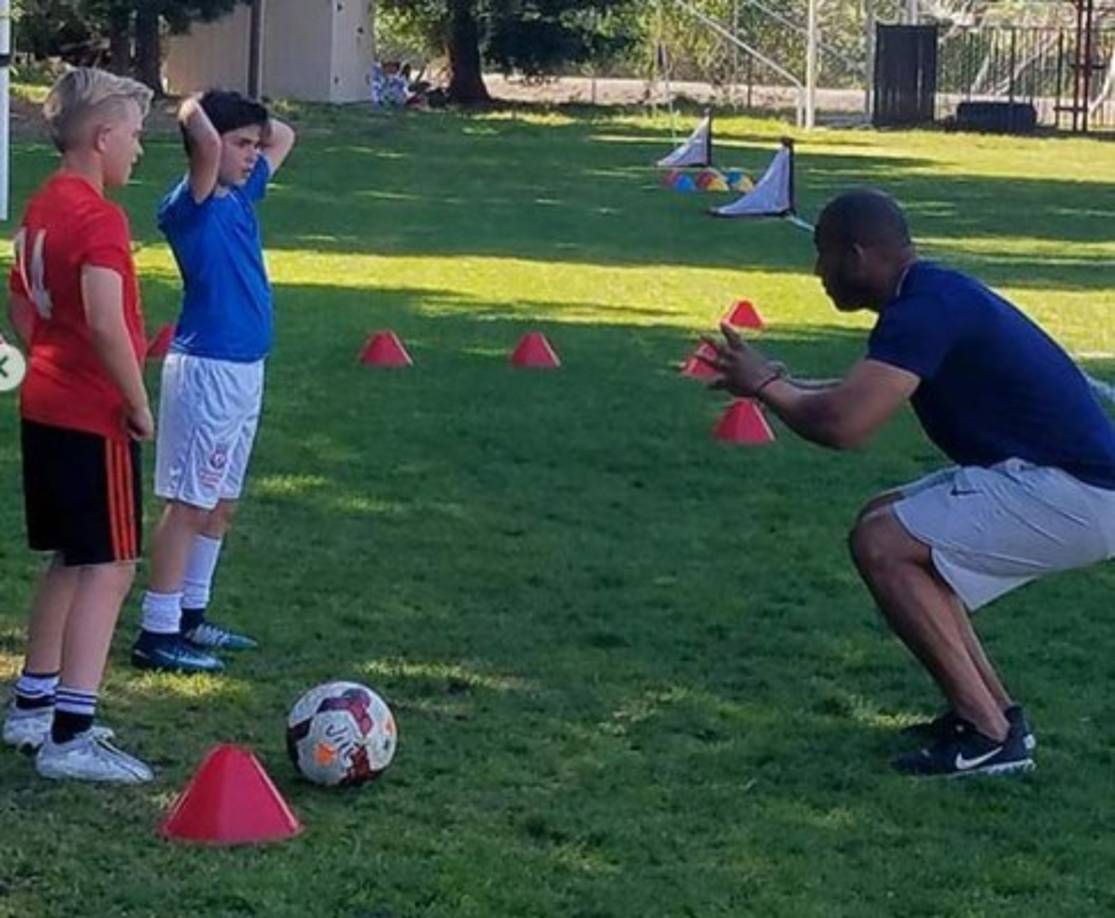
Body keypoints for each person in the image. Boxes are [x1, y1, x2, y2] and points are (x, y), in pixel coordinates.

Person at [702, 188, 1115, 778]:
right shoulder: (930, 295)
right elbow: (861, 393)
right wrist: (774, 380)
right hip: (1067, 484)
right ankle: (992, 715)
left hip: (1078, 493)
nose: (817, 272)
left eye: (823, 255)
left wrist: (768, 388)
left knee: (885, 543)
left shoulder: (923, 310)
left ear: (859, 254)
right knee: (882, 519)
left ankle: (989, 735)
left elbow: (846, 425)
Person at [3, 68, 155, 782]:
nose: (140, 150)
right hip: (93, 414)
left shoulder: (41, 205)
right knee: (111, 565)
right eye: (134, 135)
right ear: (102, 137)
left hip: (46, 404)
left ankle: (33, 702)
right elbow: (102, 317)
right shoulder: (98, 217)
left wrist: (49, 364)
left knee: (69, 555)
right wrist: (136, 401)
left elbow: (24, 306)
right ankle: (72, 733)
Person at [130, 91, 296, 674]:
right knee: (189, 504)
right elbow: (201, 137)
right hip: (207, 371)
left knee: (221, 504)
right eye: (241, 144)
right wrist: (196, 100)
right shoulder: (191, 205)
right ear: (209, 146)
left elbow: (287, 136)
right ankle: (157, 631)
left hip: (247, 368)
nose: (254, 155)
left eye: (254, 144)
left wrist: (247, 121)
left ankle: (191, 615)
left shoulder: (241, 195)